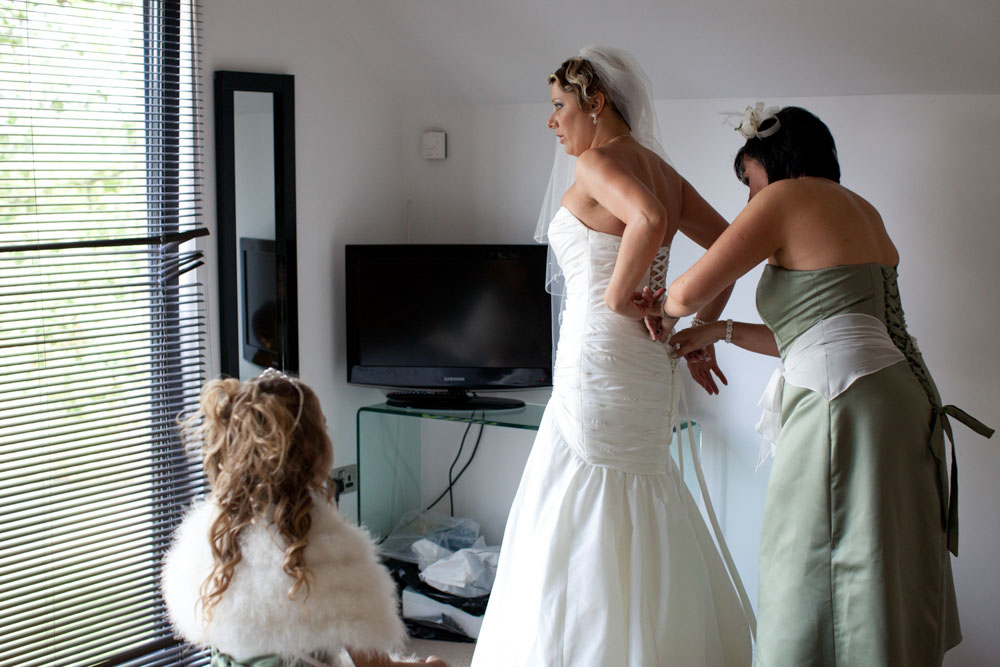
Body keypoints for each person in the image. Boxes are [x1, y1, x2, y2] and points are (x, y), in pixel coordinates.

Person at [660, 105, 994, 666]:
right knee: (878, 559)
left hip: (845, 406)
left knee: (808, 557)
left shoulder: (784, 199)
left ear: (775, 160)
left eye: (750, 181)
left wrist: (651, 312)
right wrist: (719, 332)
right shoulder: (861, 209)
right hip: (899, 401)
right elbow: (822, 332)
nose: (750, 199)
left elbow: (688, 291)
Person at [470, 46, 754, 667]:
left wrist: (621, 297)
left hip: (599, 361)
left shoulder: (598, 163)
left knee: (581, 500)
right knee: (636, 494)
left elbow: (647, 220)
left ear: (595, 104)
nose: (552, 122)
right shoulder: (661, 170)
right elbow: (730, 249)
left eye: (559, 107)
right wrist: (698, 329)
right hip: (648, 366)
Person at [161, 370, 447, 667]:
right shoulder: (332, 550)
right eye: (323, 426)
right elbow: (375, 666)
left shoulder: (210, 538)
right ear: (314, 450)